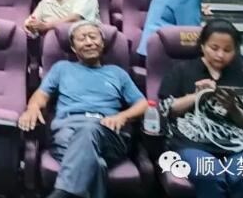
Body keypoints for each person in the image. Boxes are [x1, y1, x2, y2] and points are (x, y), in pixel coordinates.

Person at [18, 21, 148, 198]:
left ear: (102, 43)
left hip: (109, 131)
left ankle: (63, 193)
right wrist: (32, 108)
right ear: (73, 47)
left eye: (93, 37)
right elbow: (41, 95)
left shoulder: (117, 73)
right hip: (66, 130)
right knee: (97, 164)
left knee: (89, 129)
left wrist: (123, 116)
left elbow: (142, 104)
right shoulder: (61, 68)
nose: (88, 42)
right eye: (82, 39)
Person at [158, 19, 243, 198]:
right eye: (214, 48)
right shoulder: (182, 71)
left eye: (227, 50)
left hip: (236, 147)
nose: (220, 55)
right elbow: (167, 109)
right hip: (192, 144)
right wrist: (197, 96)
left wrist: (233, 109)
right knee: (209, 174)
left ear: (236, 51)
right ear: (202, 46)